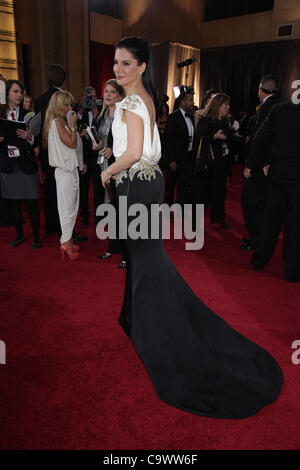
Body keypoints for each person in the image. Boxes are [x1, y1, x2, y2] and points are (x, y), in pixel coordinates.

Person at [100, 36, 282, 419]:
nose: (119, 69)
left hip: (134, 183)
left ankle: (160, 335)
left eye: (126, 64)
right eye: (116, 63)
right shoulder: (145, 99)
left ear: (143, 67)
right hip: (147, 183)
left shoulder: (131, 102)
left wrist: (108, 171)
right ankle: (135, 319)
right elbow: (152, 150)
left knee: (148, 264)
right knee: (143, 259)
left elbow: (132, 152)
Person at [247, 100, 300, 282]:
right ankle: (292, 271)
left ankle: (259, 260)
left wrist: (263, 163)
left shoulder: (279, 110)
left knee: (270, 220)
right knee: (294, 225)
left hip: (277, 175)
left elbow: (258, 140)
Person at [0, 80, 42, 249]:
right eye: (16, 91)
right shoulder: (0, 115)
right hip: (7, 164)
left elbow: (36, 140)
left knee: (32, 202)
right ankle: (19, 235)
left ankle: (37, 237)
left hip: (26, 163)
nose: (19, 95)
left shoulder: (28, 114)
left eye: (21, 92)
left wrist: (29, 137)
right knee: (14, 203)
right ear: (7, 93)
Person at [240, 75, 280, 251]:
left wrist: (252, 164)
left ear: (260, 90)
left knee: (252, 204)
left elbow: (261, 139)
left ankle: (257, 241)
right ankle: (259, 240)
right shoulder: (281, 105)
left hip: (259, 166)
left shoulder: (266, 108)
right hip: (272, 164)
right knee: (262, 205)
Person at [91, 78, 127, 268]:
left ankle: (125, 253)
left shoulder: (123, 118)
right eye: (106, 91)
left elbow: (129, 145)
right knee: (109, 208)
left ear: (120, 95)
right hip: (103, 167)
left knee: (121, 209)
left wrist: (113, 150)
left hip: (118, 167)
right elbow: (98, 142)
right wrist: (96, 145)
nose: (108, 95)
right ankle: (112, 247)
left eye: (113, 92)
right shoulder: (101, 117)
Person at [195, 93, 241, 229]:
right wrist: (213, 137)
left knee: (220, 193)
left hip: (221, 163)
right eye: (225, 104)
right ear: (218, 105)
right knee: (202, 195)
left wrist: (244, 140)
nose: (228, 107)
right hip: (208, 164)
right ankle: (195, 224)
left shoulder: (224, 122)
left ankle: (219, 218)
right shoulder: (205, 120)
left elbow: (230, 137)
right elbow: (201, 139)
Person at [43, 90, 80, 260]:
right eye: (66, 104)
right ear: (58, 106)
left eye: (71, 104)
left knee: (70, 208)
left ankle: (68, 241)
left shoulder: (58, 122)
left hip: (68, 171)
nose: (69, 108)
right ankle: (65, 243)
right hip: (65, 172)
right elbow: (72, 143)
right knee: (67, 210)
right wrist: (73, 125)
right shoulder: (57, 122)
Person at [163, 86, 196, 206]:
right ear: (182, 101)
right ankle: (167, 208)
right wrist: (171, 160)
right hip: (175, 159)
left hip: (187, 158)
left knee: (183, 186)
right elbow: (167, 141)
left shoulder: (191, 117)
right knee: (170, 186)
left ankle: (179, 208)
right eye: (190, 100)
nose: (193, 103)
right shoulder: (173, 117)